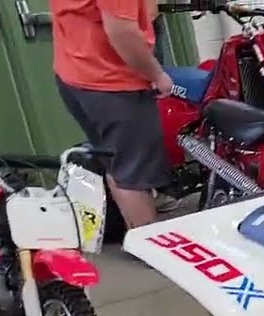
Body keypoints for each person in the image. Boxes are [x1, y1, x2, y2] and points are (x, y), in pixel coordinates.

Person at [50, 0, 174, 230]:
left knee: (116, 165)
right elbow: (122, 32)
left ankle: (136, 236)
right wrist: (156, 74)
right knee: (133, 176)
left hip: (75, 74)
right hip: (112, 83)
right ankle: (150, 245)